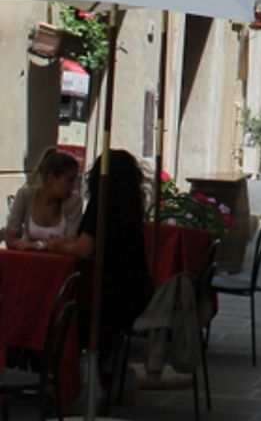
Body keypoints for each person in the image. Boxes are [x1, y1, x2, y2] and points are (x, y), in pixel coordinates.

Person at [55, 149, 154, 378]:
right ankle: (108, 366)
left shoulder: (100, 205)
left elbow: (83, 248)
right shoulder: (132, 207)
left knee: (61, 314)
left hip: (107, 297)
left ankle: (73, 373)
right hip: (137, 292)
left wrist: (59, 246)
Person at [5, 147, 83, 250]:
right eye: (70, 180)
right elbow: (11, 238)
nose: (73, 186)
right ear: (51, 179)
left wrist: (35, 245)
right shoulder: (25, 196)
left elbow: (72, 241)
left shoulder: (74, 202)